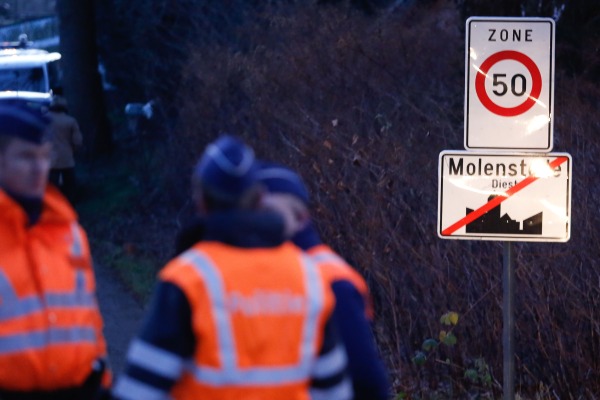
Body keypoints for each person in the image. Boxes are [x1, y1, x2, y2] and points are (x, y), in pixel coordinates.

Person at [112, 135, 352, 400]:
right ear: (260, 198)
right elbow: (335, 391)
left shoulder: (187, 279)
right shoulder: (310, 276)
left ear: (200, 199)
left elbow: (137, 391)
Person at [0, 100, 111, 399]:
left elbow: (88, 319)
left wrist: (102, 381)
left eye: (44, 156)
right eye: (25, 157)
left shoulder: (70, 232)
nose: (40, 169)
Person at [257, 162, 392, 400]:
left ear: (300, 217)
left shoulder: (331, 280)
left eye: (269, 213)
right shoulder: (258, 270)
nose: (259, 223)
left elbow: (365, 379)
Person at [47, 95, 83, 203]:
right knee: (69, 190)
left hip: (50, 161)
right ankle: (70, 212)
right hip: (67, 160)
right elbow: (78, 141)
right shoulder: (71, 121)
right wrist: (74, 151)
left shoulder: (43, 120)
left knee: (51, 191)